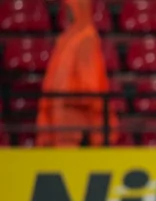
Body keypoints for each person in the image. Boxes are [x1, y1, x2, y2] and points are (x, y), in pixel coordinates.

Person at [36, 0, 118, 147]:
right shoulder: (65, 39)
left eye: (70, 8)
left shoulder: (87, 37)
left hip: (77, 118)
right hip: (59, 114)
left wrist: (69, 95)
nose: (67, 13)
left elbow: (89, 85)